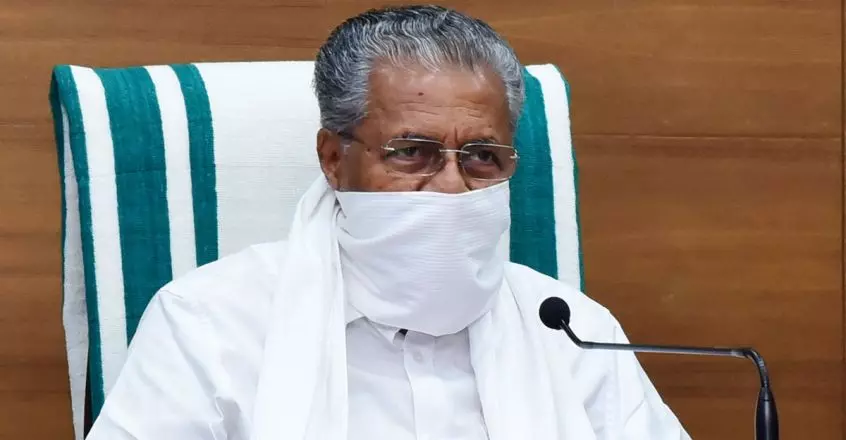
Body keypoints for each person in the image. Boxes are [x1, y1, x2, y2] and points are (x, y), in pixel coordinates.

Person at [86, 5, 691, 440]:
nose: (451, 186)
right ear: (333, 158)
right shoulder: (210, 324)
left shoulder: (571, 330)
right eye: (412, 152)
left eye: (482, 156)